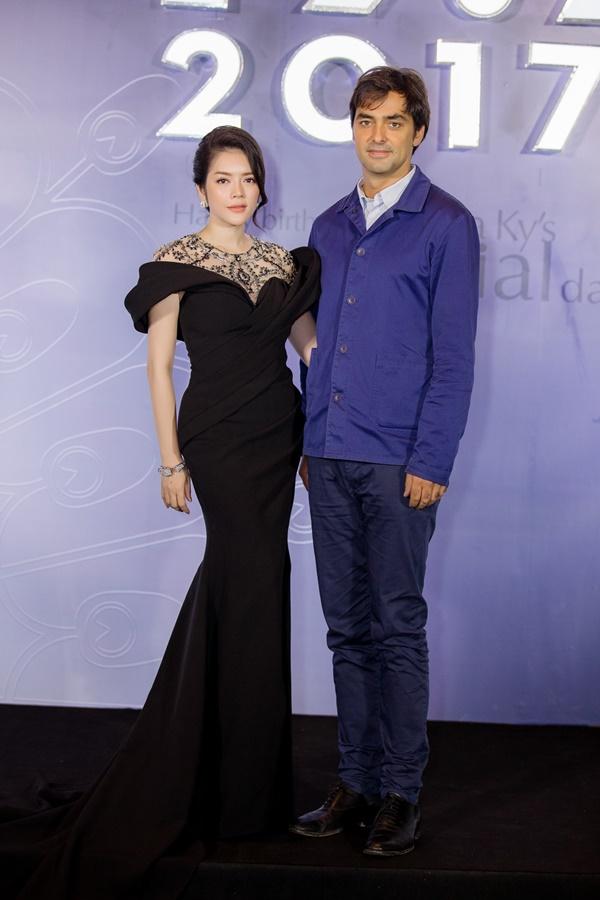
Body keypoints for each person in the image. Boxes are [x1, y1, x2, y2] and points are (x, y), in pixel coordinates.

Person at [8, 126, 319, 899]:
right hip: (216, 440)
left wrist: (320, 437)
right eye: (223, 179)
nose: (238, 191)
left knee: (255, 588)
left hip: (277, 439)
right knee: (246, 579)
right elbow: (157, 367)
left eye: (248, 178)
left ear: (261, 187)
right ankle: (222, 783)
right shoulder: (175, 261)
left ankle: (239, 783)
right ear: (201, 187)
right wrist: (171, 459)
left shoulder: (283, 265)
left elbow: (312, 353)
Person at [290, 67, 479, 856]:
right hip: (328, 456)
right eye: (365, 121)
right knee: (346, 631)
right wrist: (310, 436)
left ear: (418, 132)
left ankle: (401, 792)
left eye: (393, 122)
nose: (377, 135)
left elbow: (453, 357)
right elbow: (314, 339)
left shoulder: (447, 224)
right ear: (353, 128)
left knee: (396, 626)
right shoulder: (329, 225)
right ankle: (355, 781)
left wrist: (431, 457)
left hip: (401, 461)